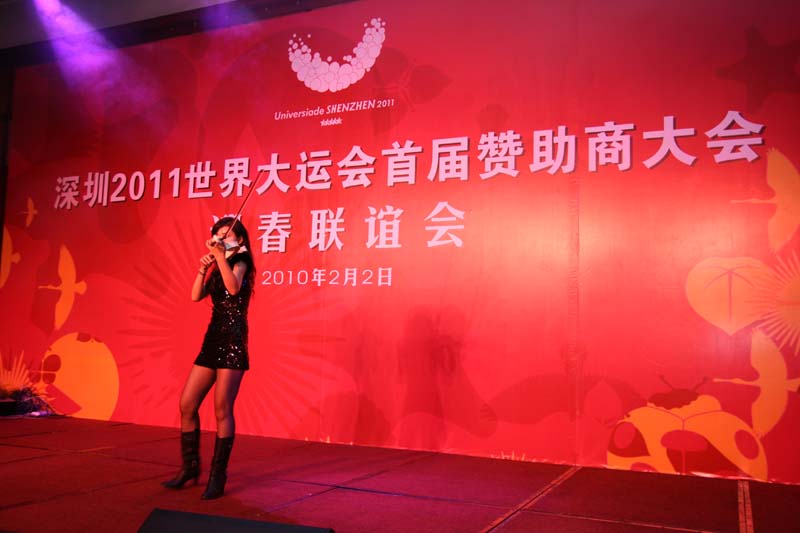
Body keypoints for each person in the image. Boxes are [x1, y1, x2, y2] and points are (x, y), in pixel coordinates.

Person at [162, 216, 255, 500]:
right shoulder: (218, 263)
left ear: (239, 239)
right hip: (212, 340)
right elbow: (195, 296)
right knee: (187, 404)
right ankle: (190, 467)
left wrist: (220, 257)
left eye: (226, 235)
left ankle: (218, 476)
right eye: (217, 235)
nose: (220, 239)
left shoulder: (241, 261)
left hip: (233, 341)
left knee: (222, 409)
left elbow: (234, 288)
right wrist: (203, 269)